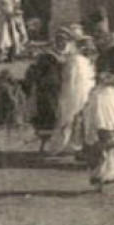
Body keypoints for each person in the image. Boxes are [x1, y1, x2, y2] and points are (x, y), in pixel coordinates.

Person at [48, 26, 96, 157]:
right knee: (71, 116)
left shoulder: (83, 61)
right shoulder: (75, 60)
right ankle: (67, 144)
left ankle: (78, 144)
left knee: (81, 118)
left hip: (84, 91)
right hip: (74, 92)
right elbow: (70, 79)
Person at [22, 47, 63, 150]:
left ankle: (45, 143)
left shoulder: (50, 72)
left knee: (46, 122)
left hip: (48, 101)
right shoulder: (42, 71)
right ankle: (45, 143)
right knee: (46, 122)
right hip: (44, 101)